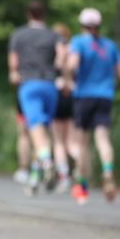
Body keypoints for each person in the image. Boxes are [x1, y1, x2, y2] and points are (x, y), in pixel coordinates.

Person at [66, 8, 120, 205]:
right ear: (98, 26)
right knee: (102, 138)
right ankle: (108, 171)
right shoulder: (110, 46)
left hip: (84, 96)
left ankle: (82, 186)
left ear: (82, 25)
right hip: (105, 96)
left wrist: (68, 77)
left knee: (83, 142)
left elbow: (73, 64)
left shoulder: (78, 42)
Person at [8, 0, 67, 195]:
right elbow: (62, 56)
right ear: (44, 15)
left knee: (34, 129)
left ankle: (47, 163)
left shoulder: (19, 34)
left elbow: (13, 61)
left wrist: (14, 73)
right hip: (49, 86)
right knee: (42, 132)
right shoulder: (54, 35)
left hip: (29, 85)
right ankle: (34, 179)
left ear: (28, 14)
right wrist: (59, 72)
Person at [50, 23, 77, 192]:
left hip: (58, 92)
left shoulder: (54, 52)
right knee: (72, 141)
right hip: (75, 94)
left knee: (58, 141)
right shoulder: (75, 49)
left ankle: (64, 175)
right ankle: (81, 170)